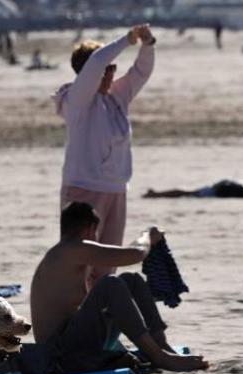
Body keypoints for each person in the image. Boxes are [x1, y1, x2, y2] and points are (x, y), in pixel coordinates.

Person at [30, 202, 209, 374]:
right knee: (110, 284)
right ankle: (159, 357)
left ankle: (161, 345)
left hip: (70, 346)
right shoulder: (71, 250)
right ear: (89, 229)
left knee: (131, 280)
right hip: (58, 357)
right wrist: (148, 234)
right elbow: (136, 254)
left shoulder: (63, 254)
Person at [53, 24, 156, 286]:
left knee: (107, 267)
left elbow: (141, 72)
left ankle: (101, 319)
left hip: (116, 190)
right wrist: (127, 39)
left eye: (113, 68)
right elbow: (98, 60)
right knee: (79, 267)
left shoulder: (116, 97)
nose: (111, 73)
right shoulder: (76, 100)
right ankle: (73, 320)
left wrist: (147, 44)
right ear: (91, 72)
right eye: (108, 69)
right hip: (84, 191)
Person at [143, 174, 243, 199]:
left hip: (228, 186)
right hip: (228, 188)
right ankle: (156, 195)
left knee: (189, 193)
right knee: (188, 193)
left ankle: (156, 194)